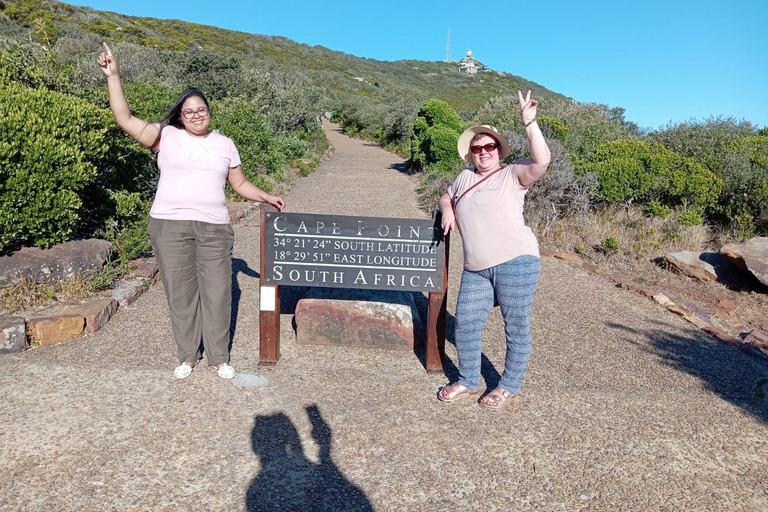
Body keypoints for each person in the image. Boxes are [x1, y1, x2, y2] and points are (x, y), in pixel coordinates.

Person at [97, 42, 285, 379]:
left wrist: (266, 196)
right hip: (169, 226)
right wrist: (114, 76)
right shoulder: (165, 136)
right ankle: (188, 356)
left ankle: (219, 357)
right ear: (180, 116)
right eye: (189, 111)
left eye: (202, 110)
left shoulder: (225, 144)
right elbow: (123, 117)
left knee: (218, 293)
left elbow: (239, 184)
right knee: (180, 295)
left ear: (209, 111)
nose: (197, 115)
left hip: (214, 228)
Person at [437, 90, 550, 409]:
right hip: (476, 268)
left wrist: (530, 123)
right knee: (466, 324)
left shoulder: (512, 174)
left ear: (498, 150)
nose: (483, 151)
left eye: (489, 146)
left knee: (515, 326)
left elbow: (542, 160)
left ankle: (508, 385)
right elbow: (447, 196)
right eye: (477, 148)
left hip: (516, 261)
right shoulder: (463, 178)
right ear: (470, 153)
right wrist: (447, 209)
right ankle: (469, 381)